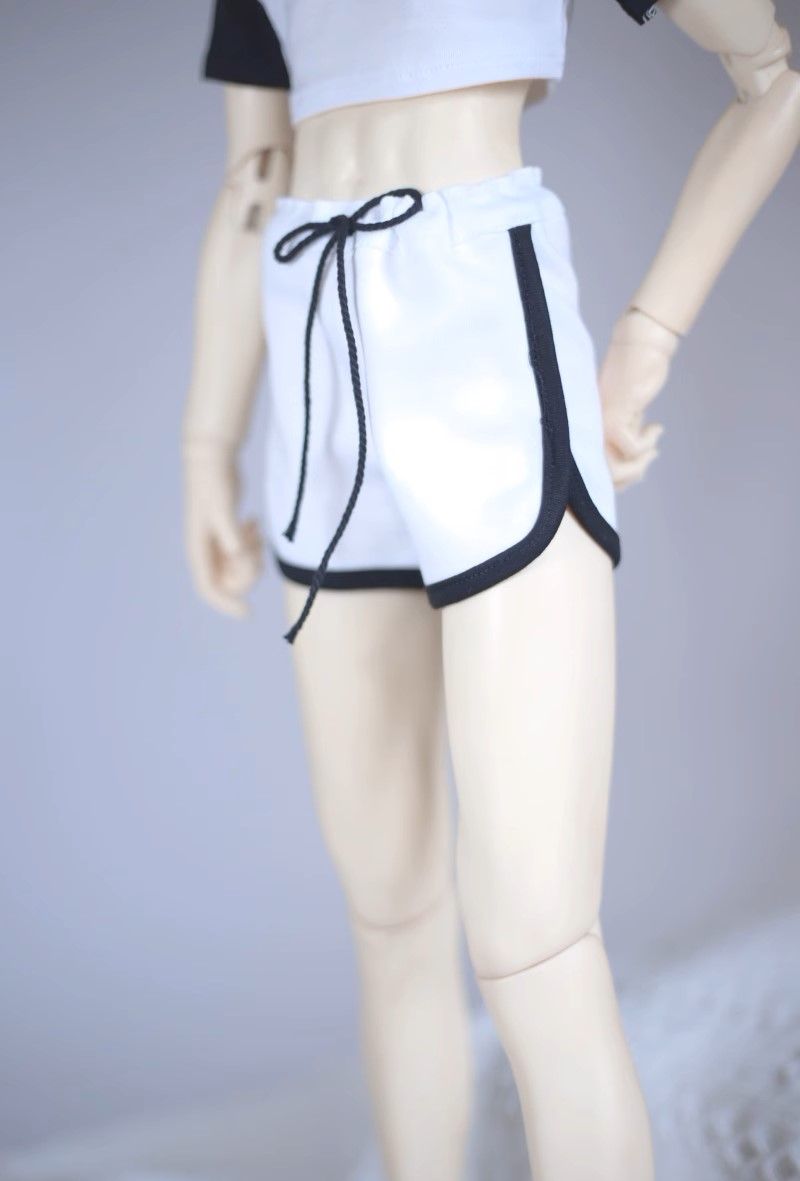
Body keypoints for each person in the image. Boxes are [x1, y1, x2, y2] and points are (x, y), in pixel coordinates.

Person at [183, 1, 800, 1177]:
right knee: (390, 912)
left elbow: (768, 72)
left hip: (477, 323)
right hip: (313, 352)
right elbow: (255, 176)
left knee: (535, 943)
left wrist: (646, 336)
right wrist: (206, 440)